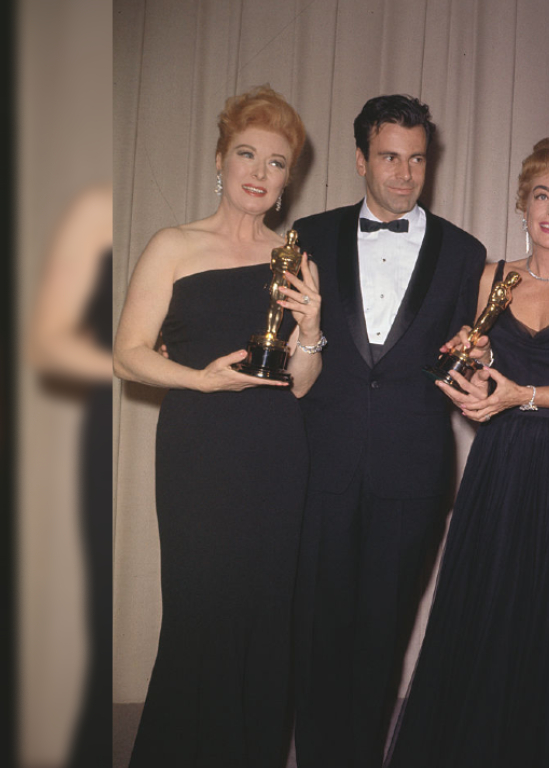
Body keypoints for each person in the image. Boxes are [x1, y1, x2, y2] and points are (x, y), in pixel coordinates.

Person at [385, 135, 549, 768]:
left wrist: (525, 394)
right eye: (542, 195)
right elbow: (478, 370)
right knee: (488, 607)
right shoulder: (492, 277)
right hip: (500, 463)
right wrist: (475, 365)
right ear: (523, 205)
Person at [113, 86, 321, 767]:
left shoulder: (295, 257)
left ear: (290, 179)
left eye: (277, 162)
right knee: (201, 615)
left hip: (275, 454)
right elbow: (127, 354)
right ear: (219, 161)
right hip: (200, 452)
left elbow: (300, 384)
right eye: (247, 154)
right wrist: (201, 378)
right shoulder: (174, 245)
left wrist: (313, 329)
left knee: (266, 618)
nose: (260, 172)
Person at [289, 94, 485, 768]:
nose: (404, 174)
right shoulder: (307, 236)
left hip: (414, 475)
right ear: (360, 160)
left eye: (417, 159)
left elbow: (465, 371)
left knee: (382, 638)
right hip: (321, 469)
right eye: (390, 157)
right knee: (317, 635)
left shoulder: (465, 253)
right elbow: (278, 347)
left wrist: (478, 370)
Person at [30, 183, 113, 768]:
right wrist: (144, 361)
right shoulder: (94, 206)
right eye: (246, 152)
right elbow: (48, 342)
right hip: (82, 415)